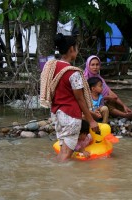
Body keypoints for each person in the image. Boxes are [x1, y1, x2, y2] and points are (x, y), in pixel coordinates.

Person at [40, 33, 99, 162]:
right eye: (76, 49)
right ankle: (63, 179)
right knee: (66, 155)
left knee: (63, 152)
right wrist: (92, 121)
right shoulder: (73, 72)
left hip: (57, 114)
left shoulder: (52, 67)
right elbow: (80, 99)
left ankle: (55, 175)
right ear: (71, 49)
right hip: (71, 116)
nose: (77, 52)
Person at [84, 55, 132, 122]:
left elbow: (113, 94)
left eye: (97, 64)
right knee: (107, 105)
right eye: (92, 65)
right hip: (92, 107)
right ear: (88, 66)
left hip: (102, 103)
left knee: (115, 101)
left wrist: (124, 106)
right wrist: (106, 98)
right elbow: (87, 98)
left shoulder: (100, 79)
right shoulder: (84, 79)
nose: (95, 67)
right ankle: (127, 116)